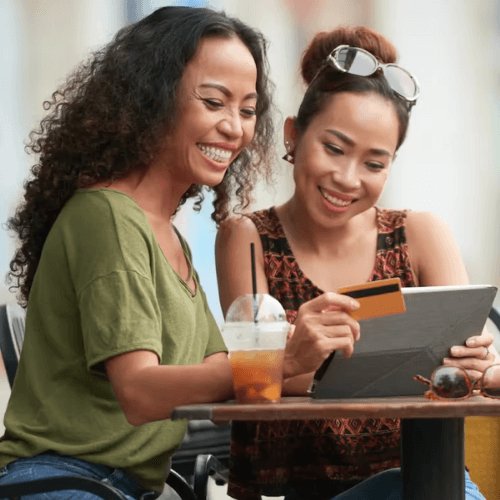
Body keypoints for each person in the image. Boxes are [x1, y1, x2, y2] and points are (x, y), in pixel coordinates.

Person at [0, 6, 278, 499]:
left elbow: (226, 374)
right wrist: (274, 359)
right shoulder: (106, 216)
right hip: (64, 483)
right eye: (214, 101)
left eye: (248, 109)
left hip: (126, 488)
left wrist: (323, 350)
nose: (234, 127)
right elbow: (141, 392)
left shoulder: (167, 237)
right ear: (152, 98)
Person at [216, 26, 497, 500]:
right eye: (334, 148)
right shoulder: (247, 238)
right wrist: (416, 367)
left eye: (374, 163)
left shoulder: (420, 234)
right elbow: (258, 375)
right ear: (293, 135)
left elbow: (460, 378)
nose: (347, 179)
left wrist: (473, 365)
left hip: (428, 477)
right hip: (299, 490)